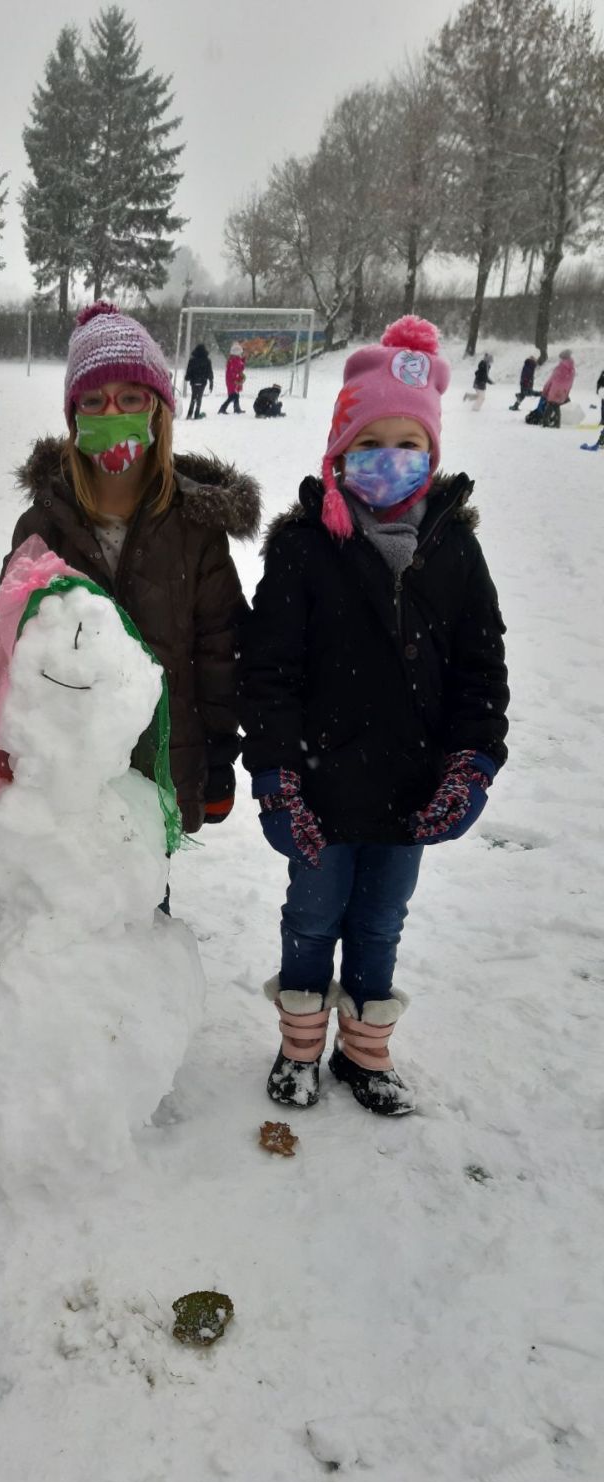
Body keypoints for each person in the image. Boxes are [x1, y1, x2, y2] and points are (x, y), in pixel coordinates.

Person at [239, 316, 508, 1118]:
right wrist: (277, 775)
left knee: (381, 923)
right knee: (312, 917)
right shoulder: (301, 548)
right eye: (369, 442)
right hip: (318, 795)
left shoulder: (456, 550)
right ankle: (298, 1047)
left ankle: (365, 1053)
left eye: (407, 443)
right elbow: (270, 674)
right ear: (339, 451)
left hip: (410, 795)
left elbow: (482, 674)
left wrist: (472, 765)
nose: (388, 460)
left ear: (431, 452)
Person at [7, 302, 259, 844]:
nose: (111, 411)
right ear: (74, 416)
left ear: (158, 409)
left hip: (165, 766)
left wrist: (217, 755)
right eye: (93, 401)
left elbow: (221, 650)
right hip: (67, 777)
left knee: (142, 913)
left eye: (130, 398)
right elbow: (15, 656)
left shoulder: (195, 528)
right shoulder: (41, 526)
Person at [527, 348, 575, 428]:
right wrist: (566, 393)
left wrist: (545, 390)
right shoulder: (572, 370)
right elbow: (570, 384)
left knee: (549, 407)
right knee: (556, 406)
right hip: (563, 392)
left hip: (555, 391)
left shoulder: (560, 368)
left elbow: (551, 380)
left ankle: (545, 423)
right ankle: (557, 423)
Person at [184, 342, 213, 419]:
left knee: (193, 397)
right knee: (199, 398)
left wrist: (187, 377)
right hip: (203, 382)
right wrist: (211, 382)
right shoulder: (207, 360)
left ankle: (189, 414)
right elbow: (209, 372)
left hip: (194, 381)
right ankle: (196, 414)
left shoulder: (192, 360)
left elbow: (189, 370)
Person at [218, 342, 246, 414]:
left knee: (236, 394)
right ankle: (223, 408)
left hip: (233, 380)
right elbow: (235, 370)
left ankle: (236, 408)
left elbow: (241, 367)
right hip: (232, 380)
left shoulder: (236, 359)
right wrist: (236, 380)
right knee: (233, 395)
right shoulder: (234, 360)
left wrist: (243, 359)